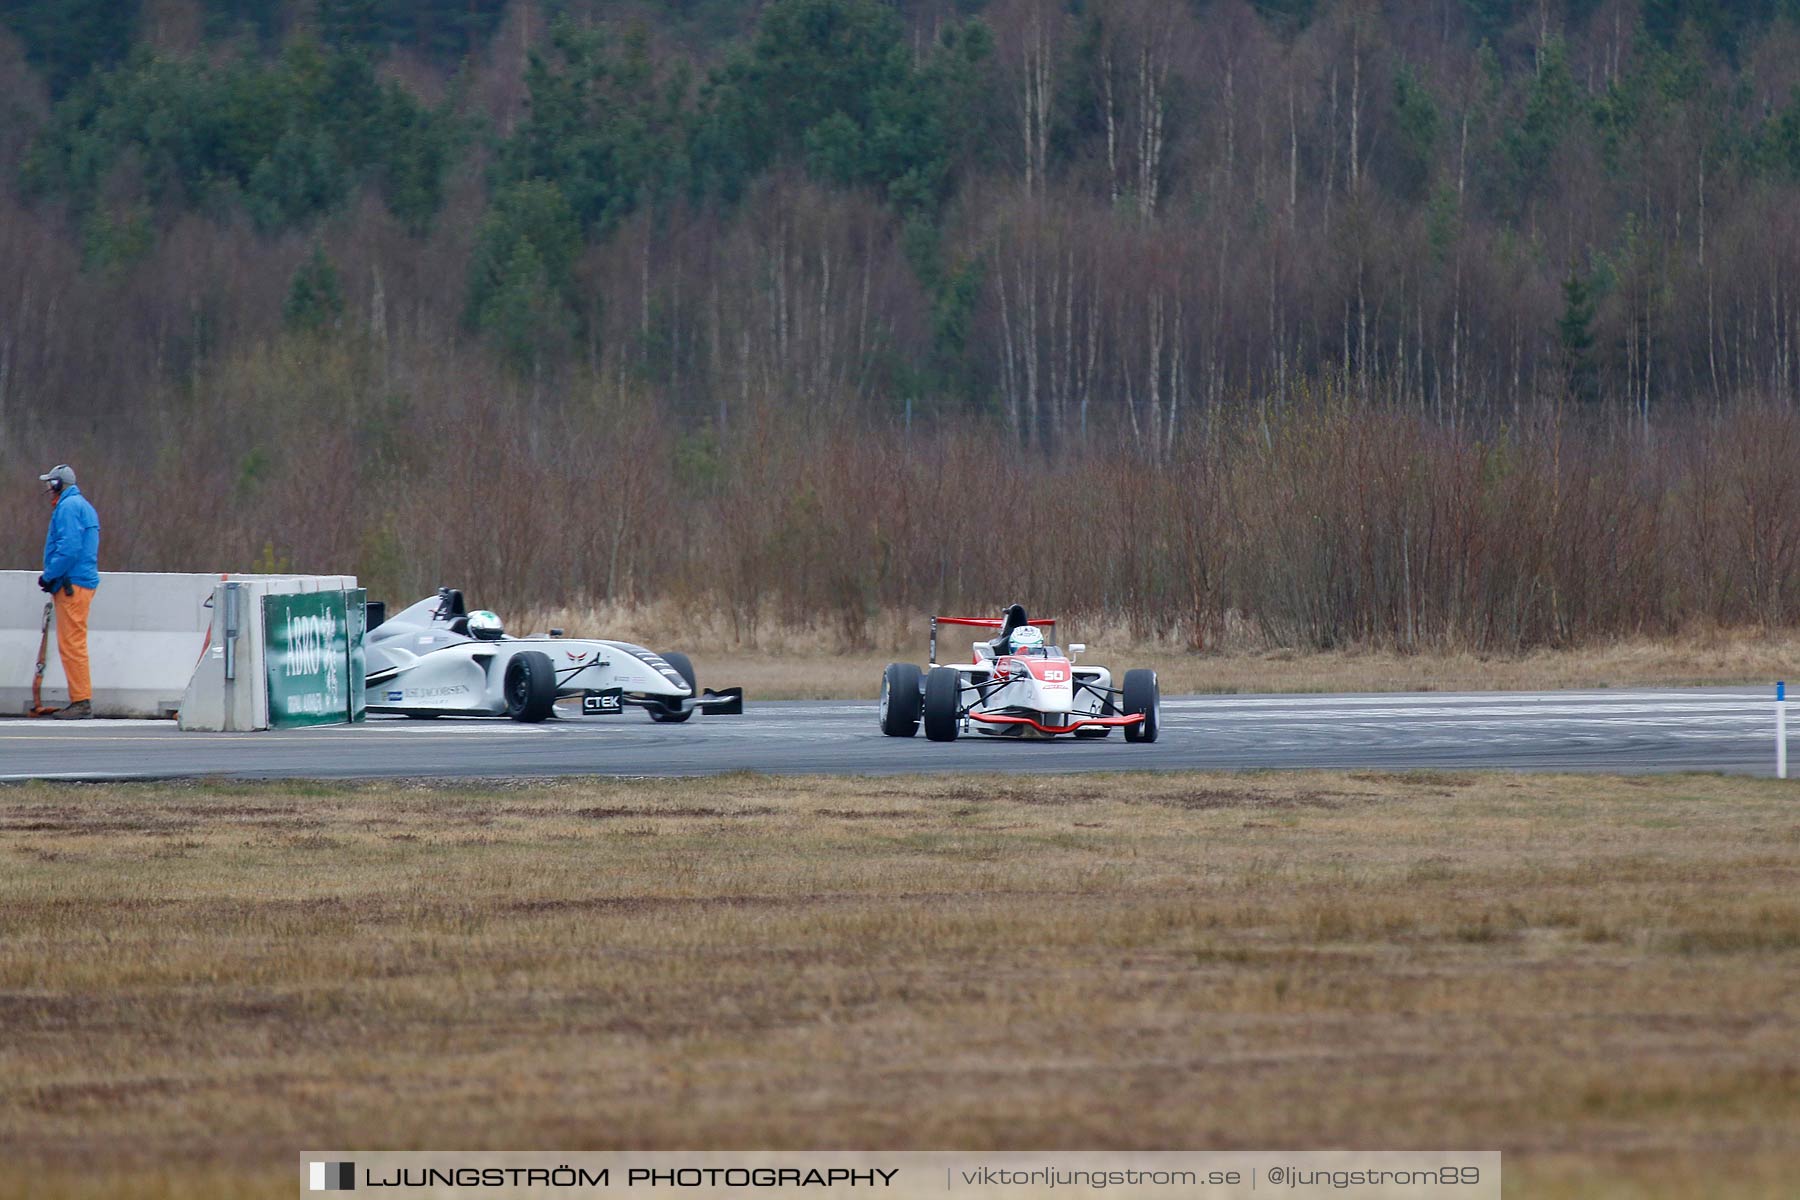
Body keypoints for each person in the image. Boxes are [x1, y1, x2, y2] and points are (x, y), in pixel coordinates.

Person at [38, 464, 100, 719]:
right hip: (78, 583)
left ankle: (81, 701)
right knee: (74, 643)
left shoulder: (68, 507)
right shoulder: (81, 505)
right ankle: (80, 699)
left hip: (71, 585)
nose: (47, 489)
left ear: (57, 485)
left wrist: (49, 575)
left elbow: (69, 547)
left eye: (50, 484)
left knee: (72, 644)